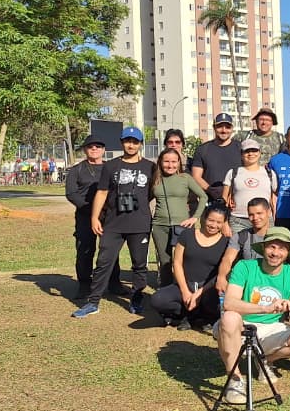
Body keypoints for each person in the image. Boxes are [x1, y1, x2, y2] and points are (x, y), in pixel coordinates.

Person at [214, 227, 290, 405]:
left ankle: (262, 361)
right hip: (241, 325)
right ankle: (235, 379)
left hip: (273, 328)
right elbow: (229, 303)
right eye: (272, 247)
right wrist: (266, 308)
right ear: (263, 248)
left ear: (288, 252)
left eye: (281, 248)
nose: (275, 253)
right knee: (230, 317)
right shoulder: (245, 267)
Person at [72, 128, 155, 318]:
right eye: (127, 141)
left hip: (139, 224)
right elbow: (102, 192)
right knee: (103, 262)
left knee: (139, 265)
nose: (131, 145)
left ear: (141, 144)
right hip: (113, 224)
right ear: (121, 142)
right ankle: (93, 302)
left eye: (135, 141)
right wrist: (94, 217)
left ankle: (136, 299)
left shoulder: (150, 167)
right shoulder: (111, 166)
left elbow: (150, 192)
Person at [150, 203, 229, 329]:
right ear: (204, 218)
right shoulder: (187, 235)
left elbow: (222, 273)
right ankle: (187, 314)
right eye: (211, 220)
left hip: (209, 289)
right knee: (157, 299)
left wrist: (199, 293)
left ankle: (205, 317)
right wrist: (185, 291)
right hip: (186, 284)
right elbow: (177, 263)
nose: (214, 225)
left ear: (224, 223)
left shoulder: (226, 243)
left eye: (219, 222)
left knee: (216, 302)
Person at [66, 134, 122, 302]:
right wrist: (91, 210)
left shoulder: (111, 167)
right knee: (85, 249)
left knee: (111, 250)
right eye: (91, 146)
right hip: (85, 215)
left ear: (104, 150)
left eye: (98, 146)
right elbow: (71, 193)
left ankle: (114, 283)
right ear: (85, 150)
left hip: (109, 216)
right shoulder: (77, 170)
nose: (94, 149)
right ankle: (84, 284)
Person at [148, 148, 208, 287]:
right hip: (160, 226)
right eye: (167, 161)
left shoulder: (185, 178)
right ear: (160, 162)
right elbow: (146, 197)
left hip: (183, 226)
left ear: (179, 163)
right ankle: (166, 289)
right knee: (165, 261)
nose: (170, 165)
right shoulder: (156, 179)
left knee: (186, 259)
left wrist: (195, 217)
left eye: (174, 162)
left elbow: (203, 196)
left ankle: (188, 287)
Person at [222, 139, 278, 234]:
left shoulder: (270, 173)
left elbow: (273, 200)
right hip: (238, 220)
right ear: (241, 154)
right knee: (238, 247)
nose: (251, 154)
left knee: (264, 248)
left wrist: (275, 220)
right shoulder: (233, 173)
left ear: (260, 153)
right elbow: (224, 198)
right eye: (247, 151)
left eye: (254, 150)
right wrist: (224, 223)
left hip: (264, 220)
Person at [191, 112, 241, 205]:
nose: (224, 130)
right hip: (212, 201)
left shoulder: (240, 148)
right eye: (220, 126)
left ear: (232, 129)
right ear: (214, 127)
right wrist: (212, 191)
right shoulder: (203, 149)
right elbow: (196, 176)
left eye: (227, 127)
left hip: (236, 201)